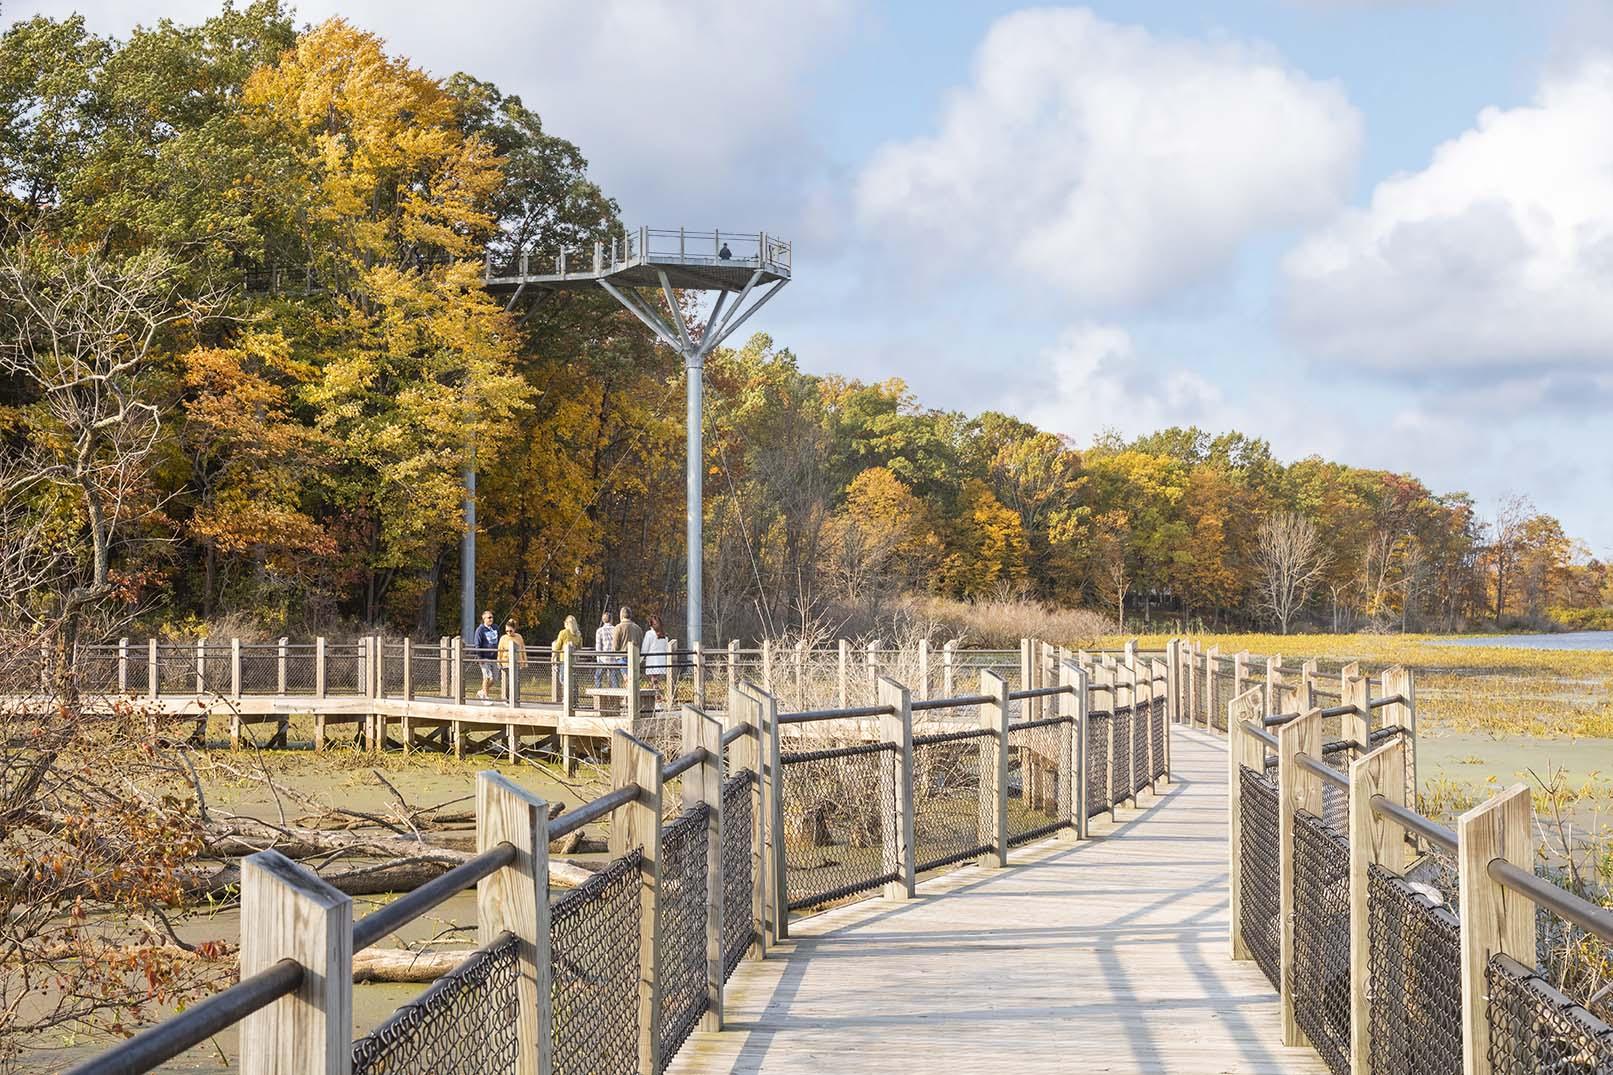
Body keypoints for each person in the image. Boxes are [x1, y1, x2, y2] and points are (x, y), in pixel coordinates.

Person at [552, 615, 582, 701]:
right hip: (574, 661)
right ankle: (574, 698)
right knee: (573, 679)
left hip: (564, 660)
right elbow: (580, 647)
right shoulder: (578, 634)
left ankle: (567, 697)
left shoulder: (563, 632)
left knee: (563, 678)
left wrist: (553, 657)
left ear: (567, 624)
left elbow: (557, 646)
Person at [496, 619, 527, 703]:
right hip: (506, 662)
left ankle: (516, 698)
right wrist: (499, 661)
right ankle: (506, 698)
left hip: (517, 662)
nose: (508, 632)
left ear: (514, 629)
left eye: (510, 630)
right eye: (506, 631)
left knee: (516, 681)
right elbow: (500, 650)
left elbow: (522, 649)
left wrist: (524, 661)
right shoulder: (503, 638)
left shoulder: (519, 637)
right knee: (506, 681)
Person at [612, 605, 643, 687]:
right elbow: (641, 643)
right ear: (630, 615)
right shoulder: (638, 628)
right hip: (635, 657)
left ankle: (627, 698)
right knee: (633, 680)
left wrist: (615, 655)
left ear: (621, 615)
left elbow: (615, 645)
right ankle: (629, 697)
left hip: (622, 657)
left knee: (627, 679)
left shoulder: (618, 627)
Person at [472, 610, 500, 701]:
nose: (491, 619)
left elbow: (499, 641)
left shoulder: (495, 627)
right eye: (489, 617)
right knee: (487, 677)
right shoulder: (480, 630)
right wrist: (480, 657)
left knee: (495, 679)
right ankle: (485, 698)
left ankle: (482, 692)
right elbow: (477, 644)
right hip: (485, 657)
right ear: (484, 619)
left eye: (492, 617)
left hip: (495, 657)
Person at [642, 615, 669, 690]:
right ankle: (656, 693)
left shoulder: (649, 634)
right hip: (661, 660)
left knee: (654, 678)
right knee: (656, 679)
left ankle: (657, 694)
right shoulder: (664, 635)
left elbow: (645, 648)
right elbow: (666, 649)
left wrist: (639, 659)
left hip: (652, 660)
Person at [593, 611, 614, 688]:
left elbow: (598, 646)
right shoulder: (615, 629)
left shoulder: (599, 631)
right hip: (613, 658)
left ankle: (598, 693)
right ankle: (616, 696)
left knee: (597, 677)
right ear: (611, 620)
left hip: (603, 658)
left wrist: (598, 658)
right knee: (613, 678)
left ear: (603, 620)